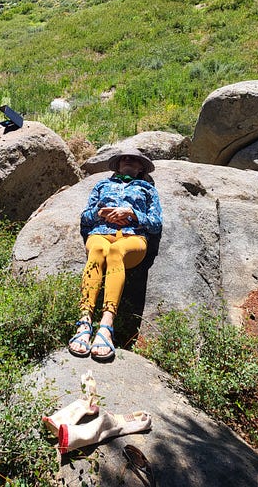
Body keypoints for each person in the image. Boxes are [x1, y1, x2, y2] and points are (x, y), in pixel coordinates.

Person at [69, 148, 162, 361]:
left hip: (133, 238)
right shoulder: (102, 185)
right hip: (100, 233)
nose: (127, 160)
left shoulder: (148, 189)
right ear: (118, 165)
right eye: (124, 158)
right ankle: (84, 323)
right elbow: (85, 218)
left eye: (133, 159)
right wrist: (99, 213)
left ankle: (106, 326)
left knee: (115, 252)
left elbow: (156, 224)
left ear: (141, 168)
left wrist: (132, 214)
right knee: (99, 250)